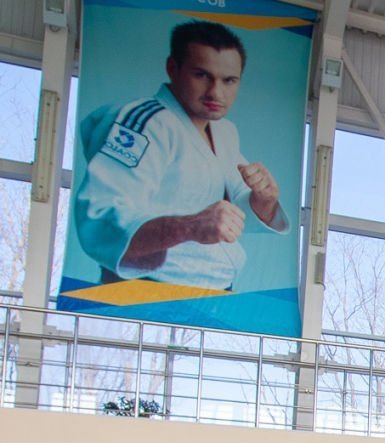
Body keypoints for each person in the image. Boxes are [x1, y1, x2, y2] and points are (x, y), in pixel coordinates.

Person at [73, 20, 291, 291]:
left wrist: (264, 200)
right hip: (145, 293)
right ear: (172, 68)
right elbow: (101, 218)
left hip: (211, 295)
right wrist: (190, 227)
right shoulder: (145, 123)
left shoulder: (224, 132)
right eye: (201, 75)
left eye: (229, 80)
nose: (215, 92)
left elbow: (236, 213)